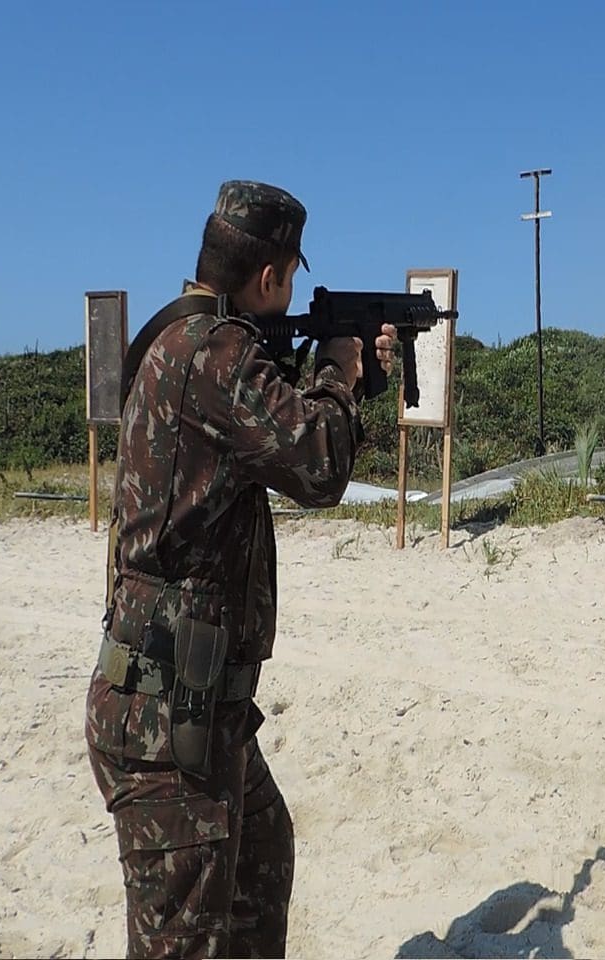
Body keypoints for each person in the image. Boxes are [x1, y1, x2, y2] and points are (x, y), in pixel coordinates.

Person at [84, 179, 396, 958]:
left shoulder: (189, 339)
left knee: (261, 858)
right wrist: (339, 370)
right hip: (168, 720)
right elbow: (317, 466)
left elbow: (276, 431)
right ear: (268, 277)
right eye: (288, 278)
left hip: (199, 708)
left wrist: (353, 377)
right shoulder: (215, 354)